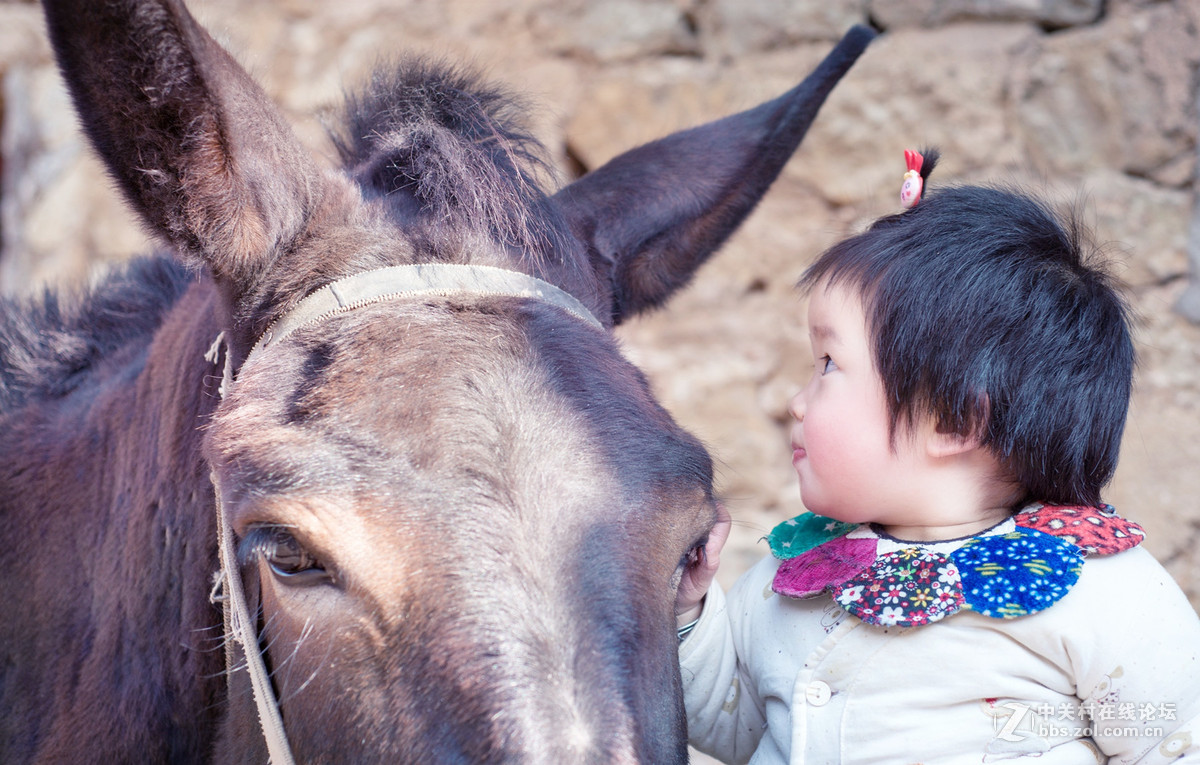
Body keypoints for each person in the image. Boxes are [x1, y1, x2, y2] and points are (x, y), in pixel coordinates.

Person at [675, 150, 1200, 764]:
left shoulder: (1103, 596)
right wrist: (688, 613)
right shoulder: (788, 582)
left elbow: (1174, 738)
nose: (795, 401)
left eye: (827, 365)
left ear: (953, 421)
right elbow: (734, 727)